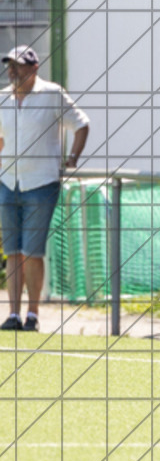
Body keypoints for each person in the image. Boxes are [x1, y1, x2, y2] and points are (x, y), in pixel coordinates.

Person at [0, 46, 89, 332]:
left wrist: (72, 158)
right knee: (13, 251)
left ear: (34, 68)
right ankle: (13, 314)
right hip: (7, 182)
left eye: (19, 66)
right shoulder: (2, 97)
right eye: (11, 66)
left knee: (33, 251)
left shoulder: (52, 94)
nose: (13, 71)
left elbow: (81, 124)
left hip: (41, 183)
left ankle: (33, 314)